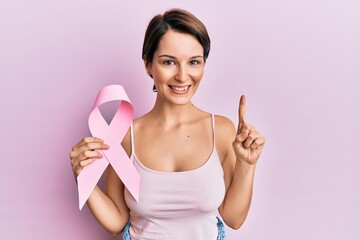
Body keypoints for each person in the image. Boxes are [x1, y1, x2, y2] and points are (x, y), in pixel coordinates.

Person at [70, 8, 265, 240]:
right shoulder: (126, 136)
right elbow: (116, 222)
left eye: (194, 62)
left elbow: (234, 218)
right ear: (147, 64)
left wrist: (247, 164)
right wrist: (85, 178)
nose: (182, 76)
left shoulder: (221, 130)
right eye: (169, 62)